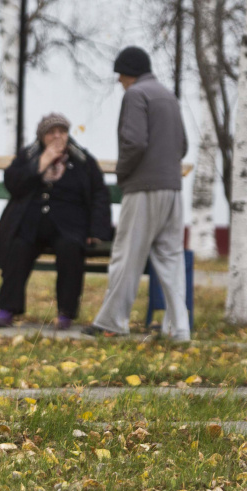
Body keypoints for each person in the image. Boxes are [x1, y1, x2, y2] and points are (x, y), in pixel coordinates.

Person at [83, 46, 191, 341]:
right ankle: (179, 328)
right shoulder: (168, 96)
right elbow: (183, 146)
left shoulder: (136, 95)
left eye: (120, 75)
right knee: (171, 260)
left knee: (126, 256)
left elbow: (134, 142)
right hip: (172, 188)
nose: (119, 81)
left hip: (143, 188)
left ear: (128, 73)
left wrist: (123, 172)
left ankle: (111, 323)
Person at [0, 114, 112, 330]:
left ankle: (65, 312)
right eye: (51, 132)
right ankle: (7, 308)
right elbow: (12, 184)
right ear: (42, 136)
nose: (57, 136)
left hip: (69, 225)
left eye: (62, 131)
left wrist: (97, 230)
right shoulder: (29, 156)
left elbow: (99, 195)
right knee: (18, 247)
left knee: (71, 249)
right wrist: (41, 162)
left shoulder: (83, 160)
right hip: (30, 222)